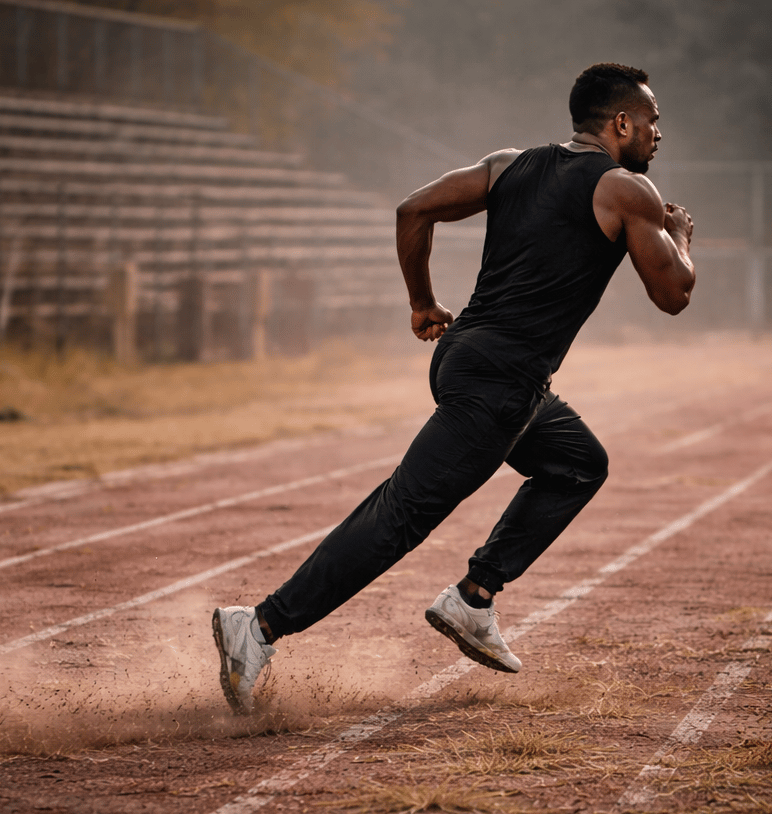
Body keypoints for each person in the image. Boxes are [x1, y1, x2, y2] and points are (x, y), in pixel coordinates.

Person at [212, 63, 695, 714]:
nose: (658, 133)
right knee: (402, 515)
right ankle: (262, 625)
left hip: (463, 356)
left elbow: (414, 210)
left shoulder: (507, 165)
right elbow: (672, 295)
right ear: (620, 123)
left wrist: (420, 302)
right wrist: (681, 239)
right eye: (652, 120)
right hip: (504, 381)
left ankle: (474, 599)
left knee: (578, 464)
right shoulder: (628, 191)